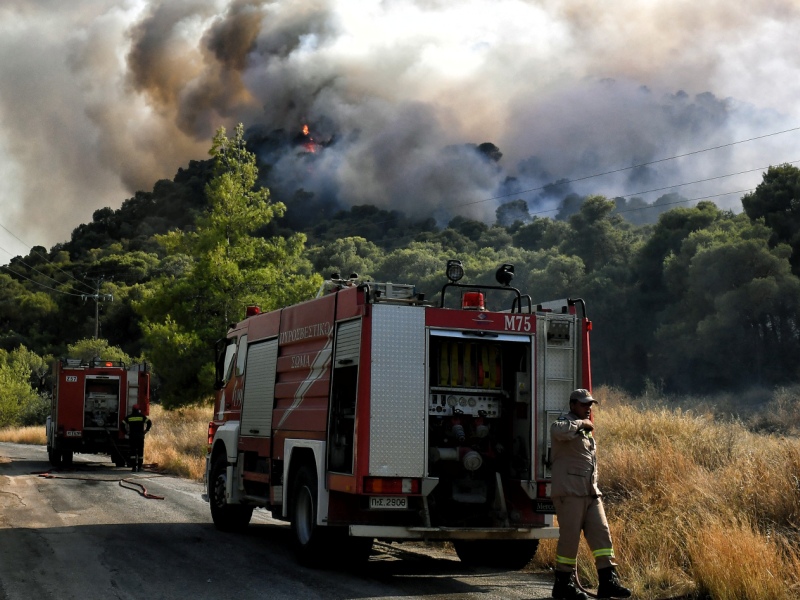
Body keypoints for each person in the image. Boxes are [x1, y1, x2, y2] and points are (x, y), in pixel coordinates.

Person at [549, 389, 631, 600]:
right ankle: (563, 585)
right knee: (569, 540)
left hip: (590, 493)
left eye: (590, 404)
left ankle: (608, 582)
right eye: (584, 404)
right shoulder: (565, 423)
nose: (589, 408)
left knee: (602, 535)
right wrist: (581, 424)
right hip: (570, 493)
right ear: (573, 405)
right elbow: (557, 431)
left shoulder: (584, 429)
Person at [123, 404, 152, 472]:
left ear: (132, 410)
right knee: (140, 452)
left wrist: (126, 432)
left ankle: (133, 467)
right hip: (140, 436)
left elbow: (122, 424)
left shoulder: (129, 417)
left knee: (132, 452)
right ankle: (139, 467)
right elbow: (149, 422)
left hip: (132, 436)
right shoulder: (142, 417)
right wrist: (146, 430)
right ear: (138, 410)